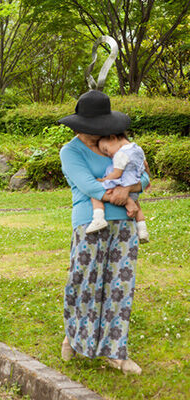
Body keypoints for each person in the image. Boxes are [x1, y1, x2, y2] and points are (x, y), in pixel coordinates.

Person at [58, 90, 149, 375]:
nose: (90, 133)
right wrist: (123, 194)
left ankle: (116, 353)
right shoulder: (70, 151)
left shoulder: (120, 144)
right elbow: (89, 186)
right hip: (89, 222)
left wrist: (129, 190)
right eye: (86, 128)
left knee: (118, 288)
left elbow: (144, 176)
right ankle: (73, 337)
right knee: (84, 283)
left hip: (124, 224)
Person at [85, 134, 149, 243]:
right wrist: (147, 181)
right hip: (134, 181)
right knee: (137, 205)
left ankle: (98, 218)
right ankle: (143, 230)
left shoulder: (121, 154)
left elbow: (117, 173)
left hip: (122, 182)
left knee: (95, 195)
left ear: (113, 138)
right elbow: (145, 165)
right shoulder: (138, 149)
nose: (108, 154)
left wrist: (103, 180)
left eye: (106, 149)